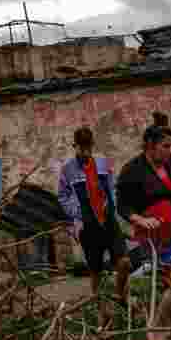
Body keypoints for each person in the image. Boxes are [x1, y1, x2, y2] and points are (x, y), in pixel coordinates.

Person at [117, 112, 171, 340]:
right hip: (155, 241)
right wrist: (140, 219)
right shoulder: (133, 170)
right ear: (150, 147)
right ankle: (157, 332)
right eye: (165, 146)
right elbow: (122, 205)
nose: (170, 150)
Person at [57, 126, 131, 301]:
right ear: (74, 146)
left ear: (92, 145)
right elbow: (63, 195)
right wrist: (77, 213)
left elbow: (112, 187)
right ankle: (99, 309)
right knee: (95, 271)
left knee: (124, 262)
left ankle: (120, 296)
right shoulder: (67, 168)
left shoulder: (102, 163)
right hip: (88, 226)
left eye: (88, 147)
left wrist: (113, 209)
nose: (85, 151)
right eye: (81, 147)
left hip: (108, 221)